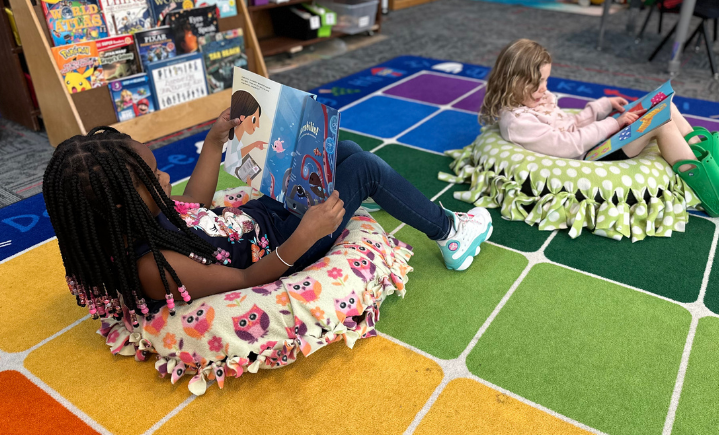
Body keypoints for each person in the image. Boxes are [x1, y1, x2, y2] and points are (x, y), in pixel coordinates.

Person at [43, 109, 493, 322]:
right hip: (284, 246)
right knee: (366, 169)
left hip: (259, 221)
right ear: (121, 203)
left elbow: (194, 208)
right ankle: (450, 232)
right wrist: (306, 236)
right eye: (154, 176)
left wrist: (214, 143)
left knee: (345, 151)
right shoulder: (153, 268)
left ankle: (365, 194)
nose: (165, 177)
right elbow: (246, 282)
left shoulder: (141, 215)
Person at [479, 38, 719, 217]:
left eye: (545, 80)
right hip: (590, 157)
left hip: (594, 144)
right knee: (663, 127)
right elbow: (568, 144)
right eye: (538, 82)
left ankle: (717, 168)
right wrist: (612, 123)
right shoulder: (519, 122)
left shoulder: (535, 102)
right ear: (515, 82)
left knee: (665, 106)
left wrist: (602, 106)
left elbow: (569, 123)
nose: (545, 89)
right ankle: (717, 194)